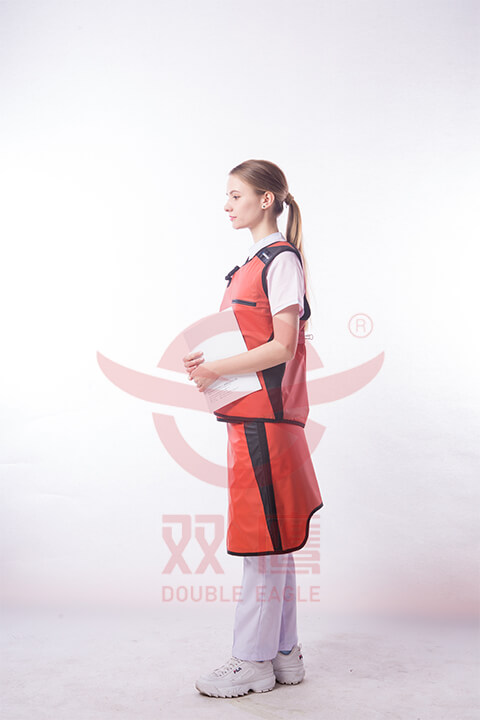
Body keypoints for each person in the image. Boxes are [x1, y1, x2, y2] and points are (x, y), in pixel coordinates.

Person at [182, 159, 323, 698]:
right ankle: (284, 654)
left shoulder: (279, 260)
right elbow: (256, 340)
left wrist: (217, 368)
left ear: (266, 199)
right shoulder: (255, 263)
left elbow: (282, 347)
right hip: (256, 418)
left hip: (265, 420)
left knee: (261, 541)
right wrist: (210, 364)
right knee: (274, 539)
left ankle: (252, 661)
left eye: (235, 195)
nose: (227, 205)